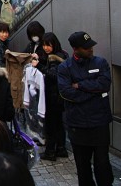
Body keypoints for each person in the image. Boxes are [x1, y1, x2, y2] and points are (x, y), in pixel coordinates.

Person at [58, 32, 113, 186]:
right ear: (75, 49)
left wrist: (80, 85)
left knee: (103, 164)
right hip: (78, 124)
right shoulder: (65, 67)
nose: (91, 49)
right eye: (86, 47)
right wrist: (94, 93)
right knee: (83, 166)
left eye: (91, 46)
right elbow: (66, 92)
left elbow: (104, 85)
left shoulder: (100, 63)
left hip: (100, 122)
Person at [38, 32, 69, 161]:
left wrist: (38, 66)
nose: (46, 48)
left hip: (53, 96)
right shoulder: (62, 54)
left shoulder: (55, 57)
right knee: (59, 124)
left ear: (54, 44)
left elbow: (53, 74)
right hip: (59, 96)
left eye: (48, 45)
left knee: (51, 124)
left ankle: (50, 151)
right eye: (44, 45)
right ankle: (61, 149)